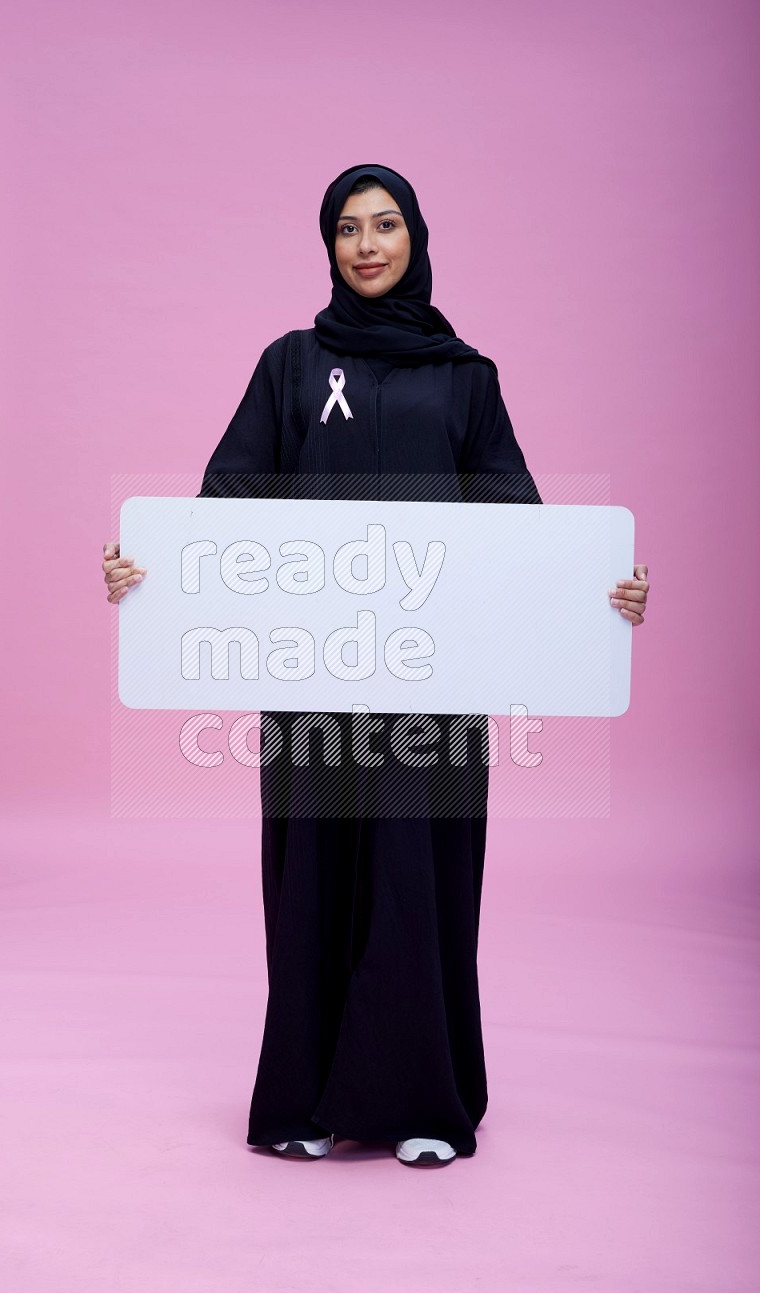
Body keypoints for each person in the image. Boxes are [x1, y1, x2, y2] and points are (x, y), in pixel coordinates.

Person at [103, 163, 650, 1168]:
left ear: (414, 237)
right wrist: (151, 574)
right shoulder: (291, 366)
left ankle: (424, 1107)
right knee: (310, 879)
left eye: (383, 224)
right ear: (327, 245)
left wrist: (598, 593)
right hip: (312, 682)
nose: (365, 244)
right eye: (347, 228)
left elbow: (516, 531)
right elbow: (223, 508)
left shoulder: (465, 378)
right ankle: (306, 1104)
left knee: (416, 880)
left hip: (434, 690)